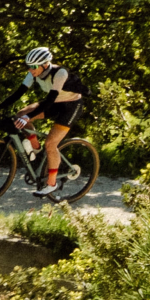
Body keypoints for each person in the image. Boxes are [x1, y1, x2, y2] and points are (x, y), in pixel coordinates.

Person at [15, 46, 87, 196]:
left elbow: (50, 99)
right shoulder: (34, 73)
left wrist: (28, 117)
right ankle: (37, 150)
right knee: (20, 114)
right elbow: (17, 94)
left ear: (45, 65)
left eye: (33, 66)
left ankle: (51, 183)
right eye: (28, 66)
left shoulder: (60, 73)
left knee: (51, 143)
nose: (30, 69)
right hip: (55, 103)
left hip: (71, 106)